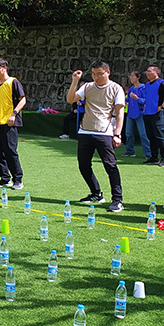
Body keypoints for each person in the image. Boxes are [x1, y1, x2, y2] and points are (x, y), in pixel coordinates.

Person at [66, 60, 125, 212]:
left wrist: (117, 134)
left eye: (99, 74)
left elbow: (119, 113)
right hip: (85, 130)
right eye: (93, 74)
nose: (96, 77)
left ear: (107, 73)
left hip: (104, 132)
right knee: (83, 165)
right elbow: (70, 99)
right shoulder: (88, 86)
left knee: (110, 166)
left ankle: (117, 200)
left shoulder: (116, 88)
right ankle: (96, 193)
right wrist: (75, 81)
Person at [0, 58, 26, 190]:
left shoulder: (13, 82)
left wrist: (14, 114)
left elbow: (23, 100)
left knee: (10, 151)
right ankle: (4, 178)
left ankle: (18, 179)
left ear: (4, 68)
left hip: (9, 122)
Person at [141, 65, 164, 166]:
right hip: (147, 113)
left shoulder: (161, 82)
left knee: (159, 136)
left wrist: (162, 106)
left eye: (150, 71)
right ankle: (153, 157)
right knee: (151, 136)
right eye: (147, 71)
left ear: (156, 73)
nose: (147, 73)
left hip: (156, 114)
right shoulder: (148, 84)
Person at [122, 70, 150, 159]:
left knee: (143, 134)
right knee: (128, 133)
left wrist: (137, 98)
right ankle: (129, 151)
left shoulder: (143, 88)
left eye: (132, 76)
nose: (131, 78)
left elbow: (145, 101)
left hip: (140, 114)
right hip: (130, 114)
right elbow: (128, 100)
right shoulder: (131, 88)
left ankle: (148, 153)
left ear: (138, 78)